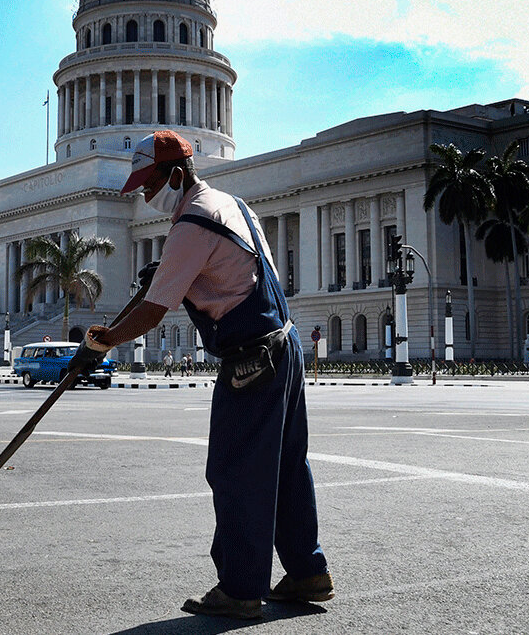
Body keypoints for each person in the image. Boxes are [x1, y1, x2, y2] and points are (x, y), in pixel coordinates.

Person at [67, 130, 331, 620]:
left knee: (236, 471)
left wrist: (102, 342)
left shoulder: (191, 222)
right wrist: (169, 272)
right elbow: (229, 274)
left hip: (252, 356)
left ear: (175, 175)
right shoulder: (233, 205)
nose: (145, 197)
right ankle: (307, 572)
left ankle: (240, 588)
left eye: (149, 185)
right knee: (288, 465)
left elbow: (150, 313)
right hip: (285, 343)